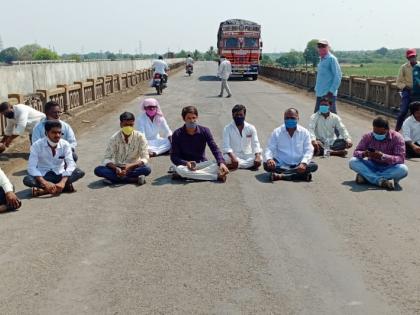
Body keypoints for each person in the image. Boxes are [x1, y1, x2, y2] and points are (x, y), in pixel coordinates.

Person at [23, 120, 85, 196]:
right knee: (28, 180)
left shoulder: (65, 144)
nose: (58, 135)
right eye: (54, 132)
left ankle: (45, 190)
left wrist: (62, 181)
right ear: (46, 133)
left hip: (60, 175)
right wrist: (45, 182)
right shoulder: (37, 145)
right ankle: (63, 187)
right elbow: (31, 167)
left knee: (79, 172)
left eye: (59, 133)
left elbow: (71, 164)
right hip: (44, 175)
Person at [170, 106, 229, 182]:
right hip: (185, 166)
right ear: (183, 118)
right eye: (189, 118)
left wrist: (221, 163)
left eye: (194, 118)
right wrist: (186, 163)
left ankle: (187, 176)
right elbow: (174, 157)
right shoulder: (177, 134)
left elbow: (214, 148)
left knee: (219, 162)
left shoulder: (205, 131)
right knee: (180, 169)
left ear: (197, 117)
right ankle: (216, 177)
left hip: (201, 164)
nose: (192, 120)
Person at [349, 116, 408, 190]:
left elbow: (401, 159)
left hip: (389, 167)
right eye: (375, 131)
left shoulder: (397, 138)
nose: (377, 134)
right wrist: (364, 153)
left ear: (387, 129)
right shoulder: (368, 136)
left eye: (381, 132)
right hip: (372, 165)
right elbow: (356, 152)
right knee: (353, 161)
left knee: (403, 169)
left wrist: (383, 156)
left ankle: (367, 177)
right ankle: (380, 180)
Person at [94, 112, 151, 185]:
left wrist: (130, 166)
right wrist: (116, 168)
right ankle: (133, 180)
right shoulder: (114, 138)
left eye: (131, 125)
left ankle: (115, 179)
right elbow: (107, 158)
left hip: (133, 167)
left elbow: (145, 157)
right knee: (98, 170)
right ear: (121, 124)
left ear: (134, 124)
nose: (128, 127)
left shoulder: (140, 137)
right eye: (126, 125)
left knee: (146, 169)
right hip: (118, 168)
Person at [264, 108, 318, 182]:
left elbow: (309, 149)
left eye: (292, 118)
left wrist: (304, 163)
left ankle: (281, 176)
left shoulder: (304, 132)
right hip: (281, 164)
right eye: (287, 118)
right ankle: (299, 176)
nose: (289, 120)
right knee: (266, 165)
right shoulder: (277, 132)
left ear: (298, 118)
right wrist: (269, 159)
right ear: (284, 118)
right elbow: (270, 148)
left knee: (314, 166)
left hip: (299, 164)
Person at [222, 104, 262, 170]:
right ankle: (247, 165)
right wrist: (233, 158)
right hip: (234, 155)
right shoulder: (227, 128)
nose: (239, 117)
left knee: (260, 158)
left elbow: (255, 143)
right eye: (236, 115)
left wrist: (257, 156)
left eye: (241, 115)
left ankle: (234, 165)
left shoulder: (251, 128)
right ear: (232, 115)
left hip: (247, 155)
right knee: (226, 158)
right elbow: (226, 147)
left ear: (244, 115)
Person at [314, 39, 342, 114]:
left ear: (328, 47)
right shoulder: (322, 59)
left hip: (328, 95)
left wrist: (331, 92)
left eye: (323, 46)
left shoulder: (331, 59)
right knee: (317, 118)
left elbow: (338, 76)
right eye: (319, 46)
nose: (321, 48)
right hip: (320, 94)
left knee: (331, 118)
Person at [395, 49, 420, 131]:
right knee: (403, 111)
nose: (412, 58)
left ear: (416, 56)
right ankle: (397, 130)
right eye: (410, 57)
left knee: (417, 113)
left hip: (418, 92)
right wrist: (407, 87)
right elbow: (398, 82)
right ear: (407, 58)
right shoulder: (404, 67)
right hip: (408, 91)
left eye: (413, 56)